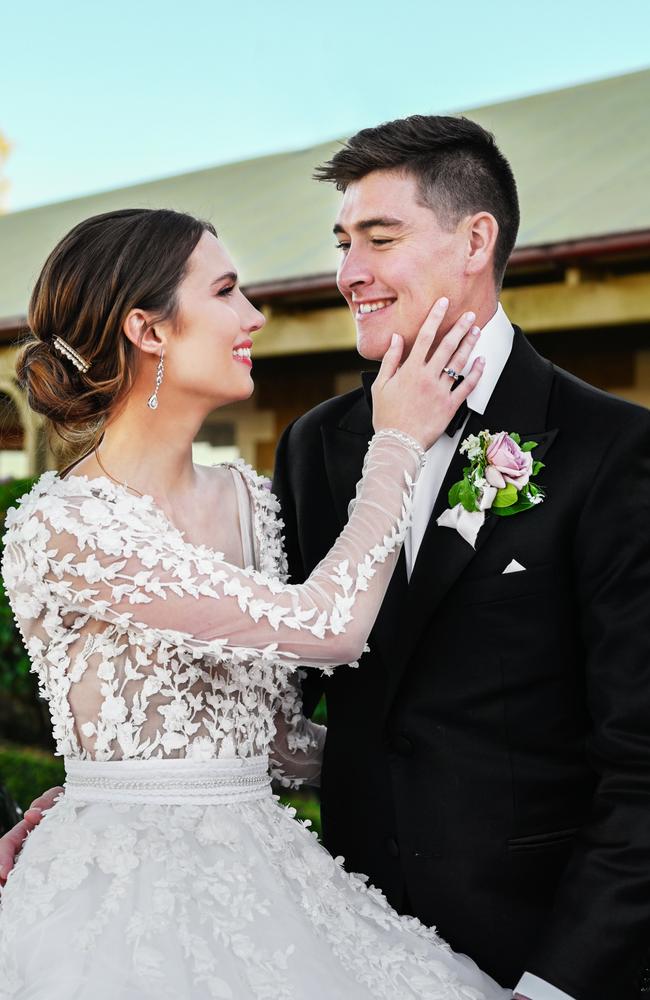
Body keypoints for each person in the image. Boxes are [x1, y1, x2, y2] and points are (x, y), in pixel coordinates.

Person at [0, 207, 508, 999]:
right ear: (148, 329)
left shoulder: (249, 499)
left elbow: (271, 741)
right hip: (127, 902)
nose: (255, 318)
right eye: (228, 291)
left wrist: (459, 762)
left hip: (270, 869)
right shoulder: (68, 526)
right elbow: (330, 629)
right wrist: (397, 444)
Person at [271, 115, 650, 1000]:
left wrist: (555, 985)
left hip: (535, 954)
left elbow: (642, 762)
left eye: (380, 238)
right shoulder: (317, 446)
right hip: (348, 943)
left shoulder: (613, 450)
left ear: (476, 239)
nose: (348, 273)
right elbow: (276, 698)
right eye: (342, 243)